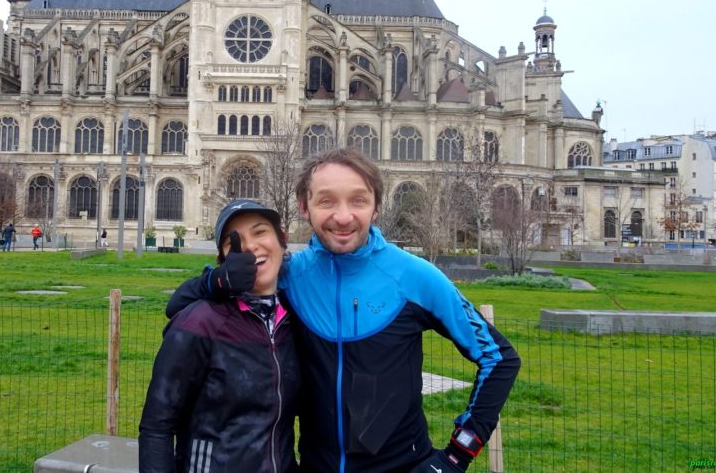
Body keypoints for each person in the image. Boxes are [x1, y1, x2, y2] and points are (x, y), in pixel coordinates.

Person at [167, 149, 520, 473]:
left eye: (358, 201)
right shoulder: (290, 275)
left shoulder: (415, 276)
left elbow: (499, 358)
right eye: (326, 201)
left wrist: (456, 457)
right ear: (304, 207)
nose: (343, 216)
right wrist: (216, 281)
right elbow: (178, 308)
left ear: (376, 207)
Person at [140, 200, 299, 473]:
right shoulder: (200, 322)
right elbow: (157, 428)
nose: (250, 247)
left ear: (282, 240)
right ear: (225, 260)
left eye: (260, 232)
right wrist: (214, 281)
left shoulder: (295, 321)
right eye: (233, 242)